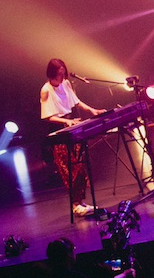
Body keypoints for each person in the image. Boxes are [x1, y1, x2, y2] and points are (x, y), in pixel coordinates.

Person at [40, 58, 105, 217]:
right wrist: (66, 121)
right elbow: (48, 117)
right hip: (58, 131)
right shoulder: (46, 90)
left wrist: (92, 110)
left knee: (80, 166)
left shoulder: (67, 84)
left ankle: (81, 202)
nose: (62, 77)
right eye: (59, 74)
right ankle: (75, 204)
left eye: (63, 72)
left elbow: (76, 102)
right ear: (53, 74)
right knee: (68, 169)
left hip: (71, 126)